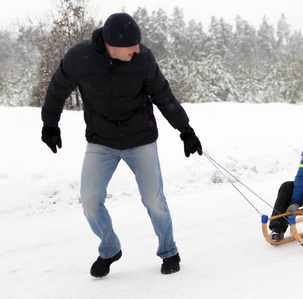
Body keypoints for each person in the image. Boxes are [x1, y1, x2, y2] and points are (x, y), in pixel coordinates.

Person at [40, 13, 202, 277]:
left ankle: (169, 250)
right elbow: (57, 89)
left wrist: (185, 131)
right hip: (101, 141)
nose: (137, 49)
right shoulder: (79, 58)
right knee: (90, 200)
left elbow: (163, 95)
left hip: (140, 140)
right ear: (112, 43)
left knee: (154, 199)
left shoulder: (143, 58)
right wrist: (50, 125)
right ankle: (109, 248)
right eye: (132, 45)